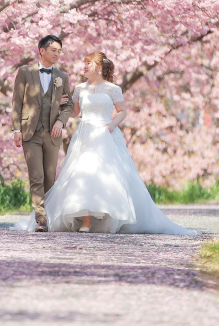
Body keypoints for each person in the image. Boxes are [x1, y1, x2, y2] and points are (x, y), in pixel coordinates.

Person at [16, 51, 198, 235]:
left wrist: (111, 125)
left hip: (105, 133)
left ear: (100, 67)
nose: (85, 67)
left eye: (89, 64)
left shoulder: (113, 89)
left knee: (106, 175)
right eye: (84, 63)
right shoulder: (80, 88)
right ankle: (85, 220)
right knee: (83, 174)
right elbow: (75, 113)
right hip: (84, 134)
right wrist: (59, 104)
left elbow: (122, 111)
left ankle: (107, 215)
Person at [11, 35, 74, 232]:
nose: (57, 54)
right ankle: (41, 219)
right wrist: (16, 129)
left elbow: (69, 105)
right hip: (31, 133)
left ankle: (50, 215)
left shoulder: (62, 77)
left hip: (53, 135)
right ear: (42, 51)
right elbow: (17, 102)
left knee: (49, 178)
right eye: (54, 50)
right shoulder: (24, 72)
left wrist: (60, 121)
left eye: (59, 51)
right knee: (36, 176)